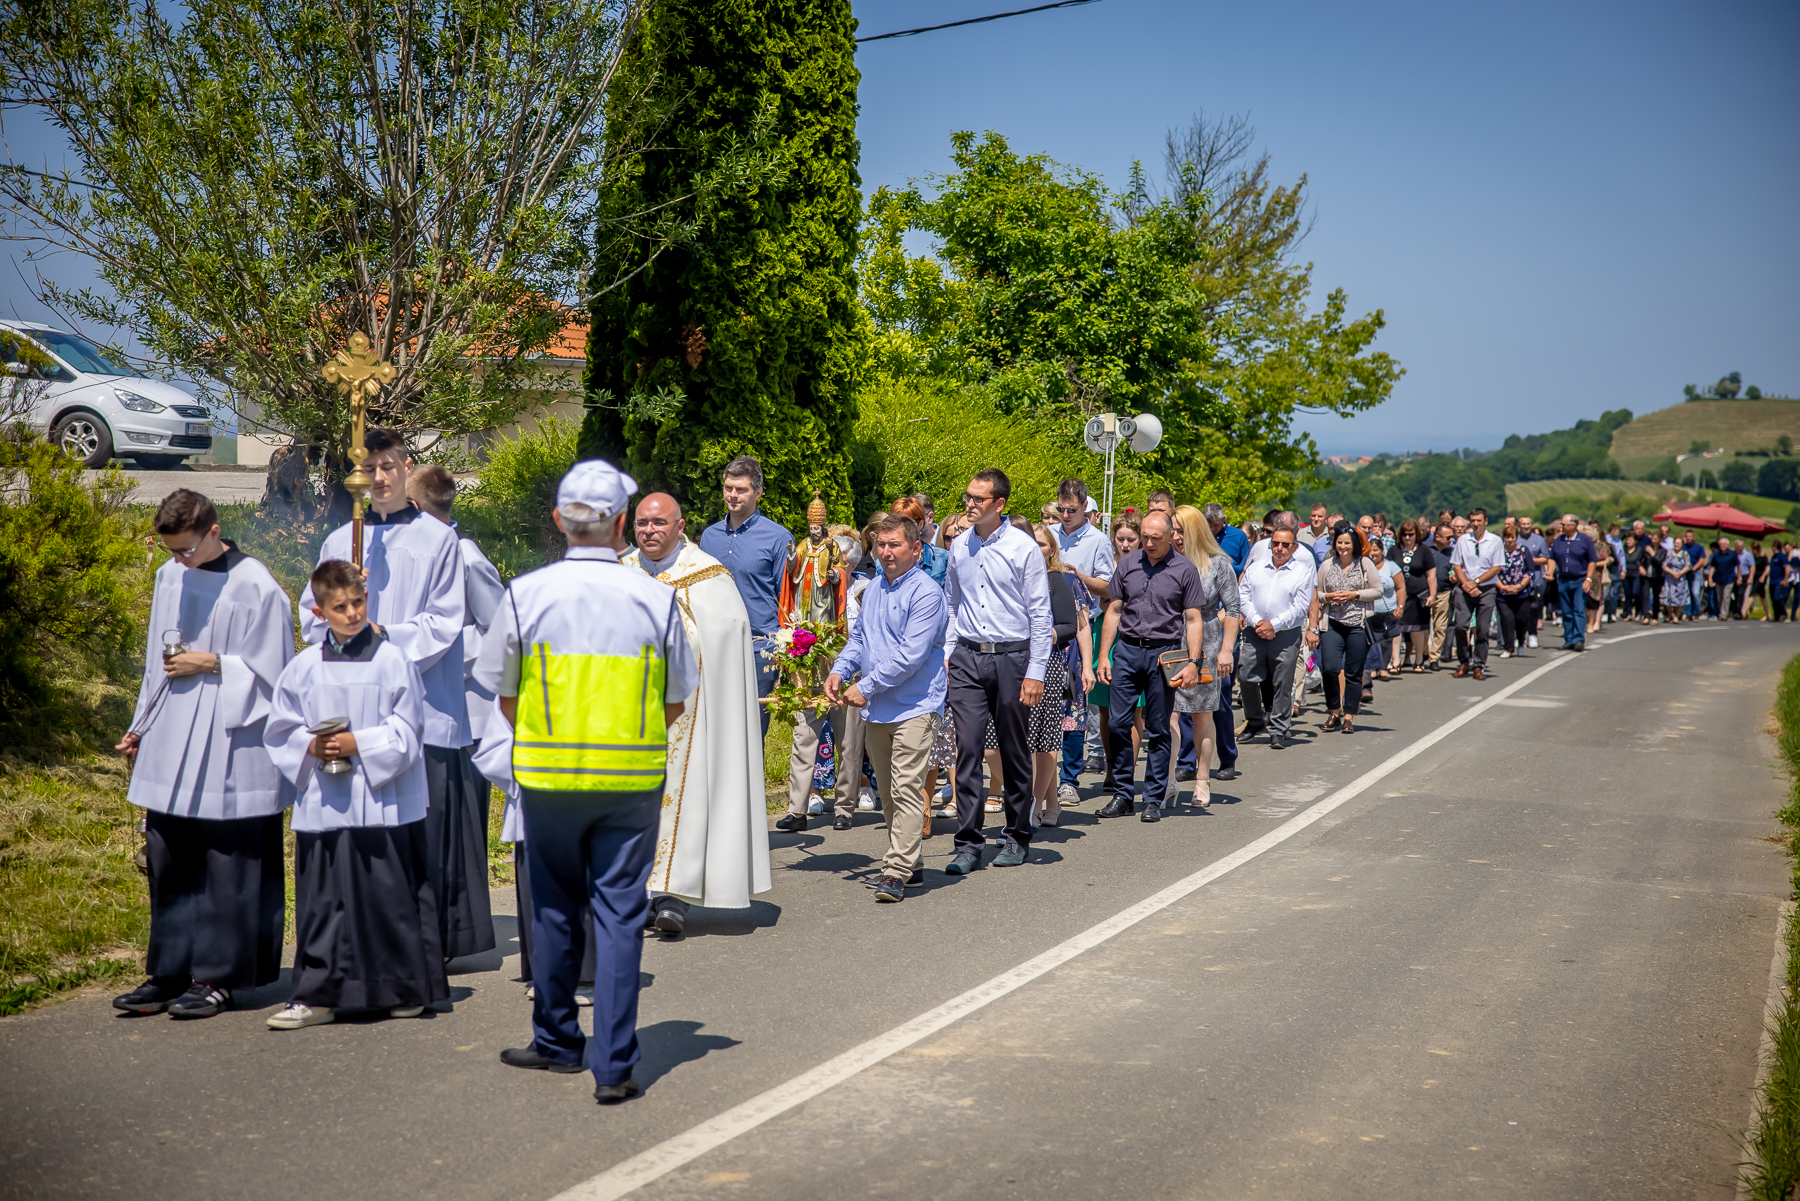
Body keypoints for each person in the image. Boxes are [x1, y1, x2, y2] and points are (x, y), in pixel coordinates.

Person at [479, 459, 696, 1104]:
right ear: (621, 524)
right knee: (621, 917)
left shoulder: (525, 594)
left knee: (551, 909)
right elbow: (677, 699)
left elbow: (504, 696)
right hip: (629, 779)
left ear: (558, 520)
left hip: (550, 777)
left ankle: (557, 1041)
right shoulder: (656, 597)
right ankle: (615, 1065)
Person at [298, 429, 491, 963]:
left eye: (388, 466)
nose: (379, 477)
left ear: (407, 468)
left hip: (425, 707)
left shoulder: (439, 539)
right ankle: (368, 938)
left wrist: (377, 637)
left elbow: (443, 623)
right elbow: (311, 617)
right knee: (366, 834)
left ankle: (429, 944)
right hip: (355, 712)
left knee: (423, 833)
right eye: (370, 468)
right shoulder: (340, 541)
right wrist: (343, 617)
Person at [111, 490, 294, 1019]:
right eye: (171, 551)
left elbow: (279, 677)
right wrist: (140, 725)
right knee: (171, 856)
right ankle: (168, 971)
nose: (180, 560)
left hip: (231, 739)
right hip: (171, 734)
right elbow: (157, 662)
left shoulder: (256, 586)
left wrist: (213, 662)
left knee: (226, 863)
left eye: (187, 549)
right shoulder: (170, 576)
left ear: (214, 531)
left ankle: (218, 977)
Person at [264, 560, 448, 1029]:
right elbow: (280, 728)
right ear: (319, 612)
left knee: (388, 899)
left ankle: (401, 989)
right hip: (326, 801)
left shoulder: (393, 661)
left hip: (383, 801)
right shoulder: (303, 667)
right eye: (340, 607)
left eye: (358, 603)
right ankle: (317, 997)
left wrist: (357, 743)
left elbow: (411, 729)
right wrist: (310, 744)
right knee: (323, 902)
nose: (352, 614)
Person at [623, 492, 770, 936]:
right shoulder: (620, 572)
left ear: (680, 526)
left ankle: (673, 895)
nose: (649, 531)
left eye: (659, 523)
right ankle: (635, 893)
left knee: (682, 795)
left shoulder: (707, 578)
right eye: (642, 523)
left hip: (689, 712)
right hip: (626, 713)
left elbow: (724, 640)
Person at [825, 512, 948, 902]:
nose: (886, 551)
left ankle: (895, 869)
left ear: (916, 549)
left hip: (916, 705)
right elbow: (859, 639)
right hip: (878, 707)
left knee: (906, 787)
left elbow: (911, 656)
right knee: (889, 793)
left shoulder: (927, 593)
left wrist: (865, 686)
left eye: (895, 544)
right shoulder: (874, 588)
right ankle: (913, 862)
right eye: (881, 544)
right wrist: (840, 670)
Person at [942, 469, 1053, 873]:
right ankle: (969, 844)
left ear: (999, 504)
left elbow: (1040, 614)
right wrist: (949, 653)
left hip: (1012, 658)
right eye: (967, 496)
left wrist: (1035, 671)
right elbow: (952, 604)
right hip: (968, 657)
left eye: (978, 499)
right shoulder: (959, 546)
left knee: (1012, 748)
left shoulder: (1023, 548)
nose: (969, 504)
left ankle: (1017, 836)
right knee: (968, 749)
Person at [1095, 511, 1204, 822]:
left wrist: (1193, 662)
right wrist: (1104, 655)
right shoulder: (1128, 563)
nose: (1149, 543)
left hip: (1164, 654)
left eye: (1156, 538)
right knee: (1118, 724)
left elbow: (1193, 618)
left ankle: (1153, 798)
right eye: (1145, 536)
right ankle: (1122, 794)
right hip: (1127, 651)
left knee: (1158, 728)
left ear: (1171, 535)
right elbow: (1114, 610)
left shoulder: (1184, 569)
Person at [409, 464, 507, 762]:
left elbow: (499, 632)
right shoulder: (417, 556)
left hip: (469, 713)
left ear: (414, 507)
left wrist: (440, 652)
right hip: (427, 707)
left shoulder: (468, 558)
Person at [698, 455, 791, 736]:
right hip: (713, 646)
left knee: (751, 730)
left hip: (759, 648)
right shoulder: (709, 537)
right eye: (728, 488)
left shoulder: (778, 538)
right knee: (712, 728)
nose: (733, 495)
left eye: (741, 489)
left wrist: (787, 655)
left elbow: (787, 599)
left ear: (758, 492)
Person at [1169, 504, 1238, 805]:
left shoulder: (1218, 564)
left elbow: (1233, 609)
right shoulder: (1165, 561)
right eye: (1173, 530)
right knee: (1167, 714)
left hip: (1206, 643)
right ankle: (1168, 779)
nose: (1175, 536)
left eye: (1181, 531)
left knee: (1202, 715)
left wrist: (1226, 650)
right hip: (1170, 643)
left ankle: (1202, 779)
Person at [1027, 520, 1095, 826]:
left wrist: (1088, 666)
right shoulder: (1019, 576)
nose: (1036, 549)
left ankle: (1042, 802)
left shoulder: (1067, 579)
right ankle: (1048, 801)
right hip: (1027, 664)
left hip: (1063, 664)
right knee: (1039, 735)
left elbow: (1081, 626)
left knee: (1054, 731)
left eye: (1042, 544)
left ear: (1052, 549)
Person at [1236, 521, 1314, 748]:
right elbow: (1243, 596)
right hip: (1255, 631)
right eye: (1276, 543)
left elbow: (1301, 607)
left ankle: (1279, 728)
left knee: (1282, 682)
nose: (1279, 548)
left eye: (1285, 544)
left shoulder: (1302, 572)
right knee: (1246, 676)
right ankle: (1254, 720)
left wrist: (1274, 625)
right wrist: (1258, 622)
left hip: (1286, 635)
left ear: (1294, 547)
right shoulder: (1256, 567)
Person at [1306, 524, 1380, 734]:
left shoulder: (1365, 563)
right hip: (1332, 624)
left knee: (1353, 672)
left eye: (1347, 542)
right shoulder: (1327, 565)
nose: (1343, 546)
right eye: (1339, 542)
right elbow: (1317, 594)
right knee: (1329, 668)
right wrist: (1330, 597)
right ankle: (1333, 712)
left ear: (1354, 544)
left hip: (1358, 625)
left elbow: (1378, 591)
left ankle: (1349, 716)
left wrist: (1354, 594)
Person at [1450, 508, 1502, 680]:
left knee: (1482, 629)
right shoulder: (1463, 540)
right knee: (1460, 626)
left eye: (1479, 520)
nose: (1476, 524)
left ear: (1485, 521)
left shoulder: (1495, 541)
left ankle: (1479, 664)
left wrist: (1476, 582)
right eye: (1473, 520)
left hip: (1485, 589)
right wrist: (1467, 584)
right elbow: (1457, 565)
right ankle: (1464, 661)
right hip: (1464, 587)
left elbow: (1496, 568)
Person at [1545, 512, 1598, 649]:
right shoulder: (1559, 541)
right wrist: (1550, 572)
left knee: (1578, 610)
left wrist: (1588, 579)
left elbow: (1592, 561)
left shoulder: (1585, 540)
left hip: (1579, 580)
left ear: (1573, 526)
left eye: (1564, 525)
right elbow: (1552, 558)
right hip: (1563, 580)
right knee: (1566, 611)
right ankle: (1569, 639)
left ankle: (1578, 639)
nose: (1561, 527)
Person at [1392, 519, 1437, 672]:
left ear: (1416, 534)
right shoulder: (1394, 550)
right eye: (1404, 534)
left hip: (1418, 596)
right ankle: (1395, 661)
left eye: (1411, 534)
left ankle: (1418, 660)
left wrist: (1432, 595)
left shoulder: (1424, 550)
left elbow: (1431, 575)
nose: (1407, 537)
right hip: (1398, 596)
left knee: (1417, 629)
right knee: (1396, 628)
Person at [1363, 537, 1404, 691]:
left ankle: (1383, 668)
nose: (1373, 553)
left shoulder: (1391, 566)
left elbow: (1400, 587)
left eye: (1376, 550)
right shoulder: (1365, 565)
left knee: (1386, 640)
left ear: (1382, 551)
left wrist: (1400, 606)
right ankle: (1372, 668)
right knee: (1371, 641)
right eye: (1370, 550)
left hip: (1388, 609)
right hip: (1370, 610)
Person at [1493, 522, 1533, 657]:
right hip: (1503, 593)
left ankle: (1521, 642)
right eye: (1507, 537)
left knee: (1522, 618)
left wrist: (1519, 586)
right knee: (1507, 620)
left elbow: (1529, 571)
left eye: (1512, 537)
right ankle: (1508, 648)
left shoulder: (1523, 550)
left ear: (1516, 537)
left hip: (1521, 593)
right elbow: (1493, 572)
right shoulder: (1498, 552)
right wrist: (1503, 587)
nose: (1510, 540)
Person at [1516, 516, 1549, 650]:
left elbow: (1545, 558)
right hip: (1517, 580)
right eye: (1523, 524)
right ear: (1519, 525)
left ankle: (1532, 634)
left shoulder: (1539, 539)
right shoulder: (1515, 538)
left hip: (1535, 579)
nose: (1526, 526)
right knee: (1519, 610)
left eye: (1528, 524)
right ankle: (1519, 635)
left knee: (1534, 608)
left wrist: (1529, 560)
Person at [1428, 522, 1457, 667]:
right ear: (1437, 537)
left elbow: (1457, 568)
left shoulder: (1452, 552)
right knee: (1423, 627)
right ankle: (1423, 653)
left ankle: (1434, 657)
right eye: (1448, 537)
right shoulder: (1426, 550)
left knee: (1440, 626)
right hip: (1426, 593)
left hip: (1444, 592)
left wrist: (1455, 576)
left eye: (1452, 537)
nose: (1451, 540)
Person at [1204, 502, 1250, 575]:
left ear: (1223, 519)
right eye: (1209, 526)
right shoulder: (1202, 536)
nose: (1212, 529)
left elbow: (1247, 566)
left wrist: (1226, 567)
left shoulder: (1239, 536)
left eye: (1215, 525)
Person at [1661, 533, 1691, 623]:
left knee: (1679, 598)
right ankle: (1670, 614)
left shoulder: (1685, 554)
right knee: (1668, 597)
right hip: (1670, 577)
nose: (1677, 545)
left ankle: (1677, 616)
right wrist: (1673, 573)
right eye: (1676, 543)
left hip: (1680, 578)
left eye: (1679, 543)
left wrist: (1679, 573)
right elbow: (1664, 565)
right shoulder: (1669, 553)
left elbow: (1688, 566)